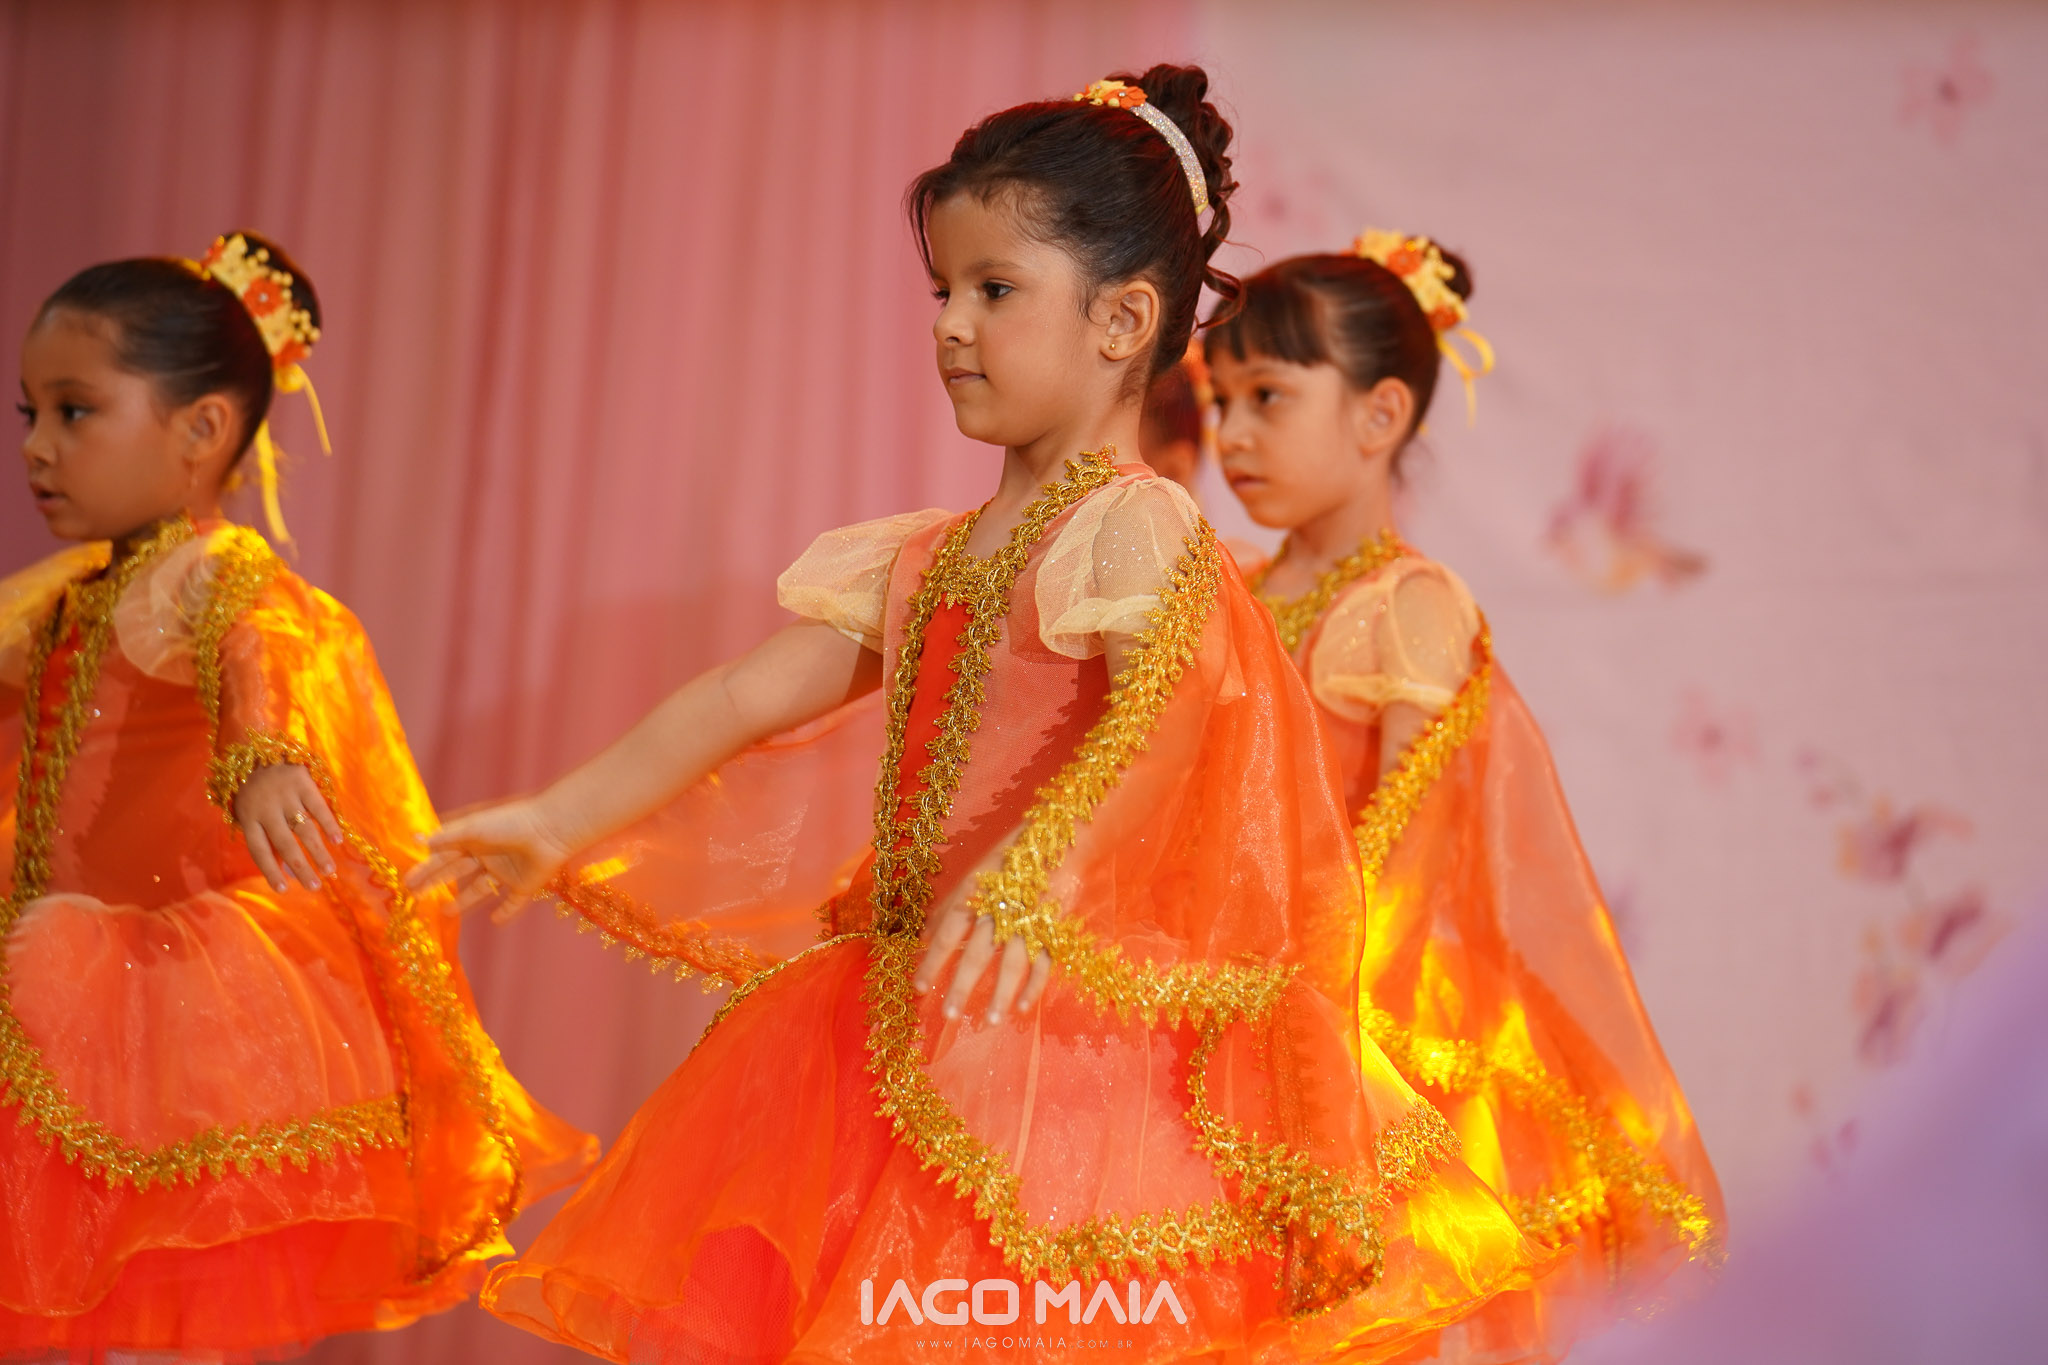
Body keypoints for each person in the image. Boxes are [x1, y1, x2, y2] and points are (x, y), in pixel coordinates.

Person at [416, 71, 1543, 1364]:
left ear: (1123, 318)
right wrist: (560, 818)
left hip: (1064, 1060)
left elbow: (1165, 719)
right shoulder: (925, 556)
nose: (950, 325)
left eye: (994, 290)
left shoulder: (1135, 526)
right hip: (899, 1025)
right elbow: (743, 695)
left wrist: (1038, 874)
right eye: (942, 291)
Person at [2, 233, 594, 1361]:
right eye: (30, 414)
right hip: (46, 975)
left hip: (152, 997)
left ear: (202, 430)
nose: (37, 446)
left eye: (74, 412)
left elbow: (262, 642)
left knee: (153, 1264)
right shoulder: (65, 599)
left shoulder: (213, 573)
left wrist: (266, 754)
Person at [1205, 231, 1724, 1360]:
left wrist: (1307, 1021)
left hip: (1352, 1022)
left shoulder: (1407, 606)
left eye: (1267, 397)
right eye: (1220, 400)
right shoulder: (1230, 590)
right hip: (1225, 1004)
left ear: (1379, 415)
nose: (1231, 433)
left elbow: (1407, 849)